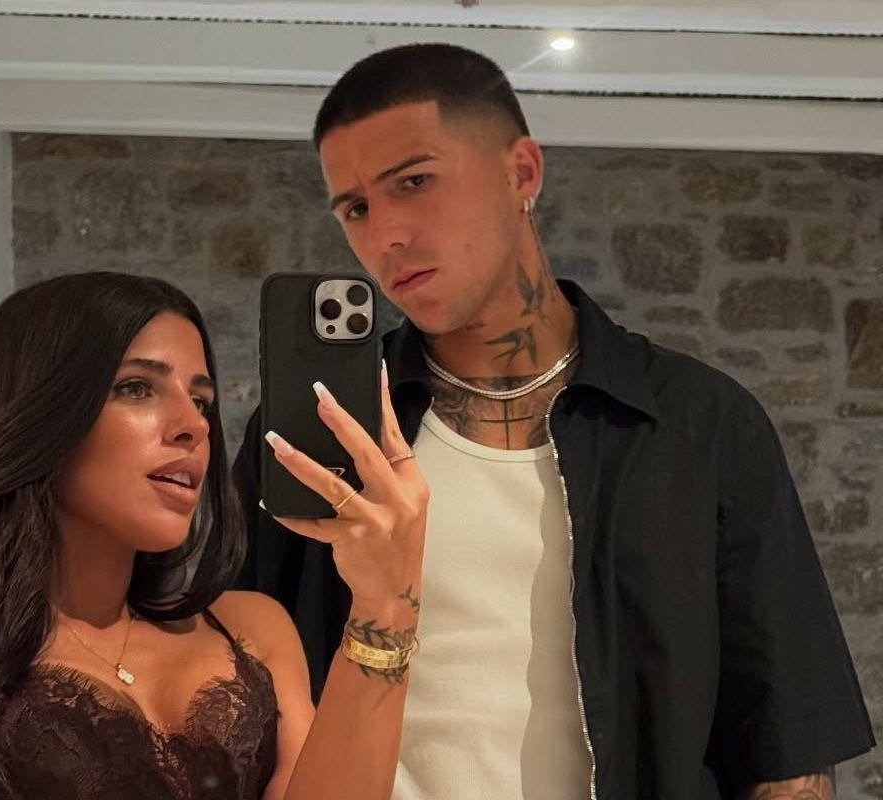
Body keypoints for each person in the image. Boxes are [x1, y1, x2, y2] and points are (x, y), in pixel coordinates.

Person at [233, 44, 875, 799]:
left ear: (521, 172)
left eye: (414, 181)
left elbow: (786, 741)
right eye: (356, 208)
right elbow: (242, 698)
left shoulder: (700, 425)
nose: (386, 236)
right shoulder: (319, 434)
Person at [0, 271, 429, 800]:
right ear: (36, 414)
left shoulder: (255, 632)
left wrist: (385, 603)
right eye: (137, 389)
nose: (193, 425)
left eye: (201, 400)